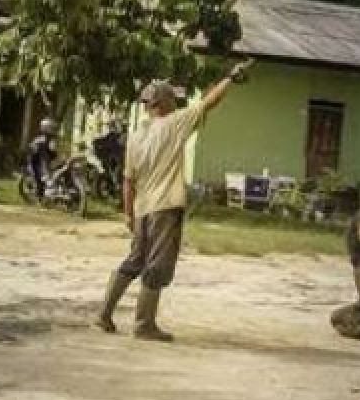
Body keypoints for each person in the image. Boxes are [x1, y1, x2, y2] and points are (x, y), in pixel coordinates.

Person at [94, 61, 253, 340]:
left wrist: (129, 214)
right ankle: (144, 325)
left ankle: (104, 314)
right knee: (158, 265)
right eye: (172, 99)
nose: (176, 104)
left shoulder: (135, 137)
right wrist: (229, 77)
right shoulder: (174, 123)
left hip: (143, 209)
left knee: (134, 260)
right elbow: (208, 102)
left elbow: (127, 180)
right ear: (163, 102)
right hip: (166, 207)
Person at [27, 117, 59, 199]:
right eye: (51, 128)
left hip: (46, 162)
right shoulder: (43, 139)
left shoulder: (48, 139)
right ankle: (40, 193)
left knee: (45, 175)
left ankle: (45, 192)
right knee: (40, 177)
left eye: (52, 128)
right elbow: (34, 151)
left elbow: (53, 152)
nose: (52, 129)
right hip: (40, 162)